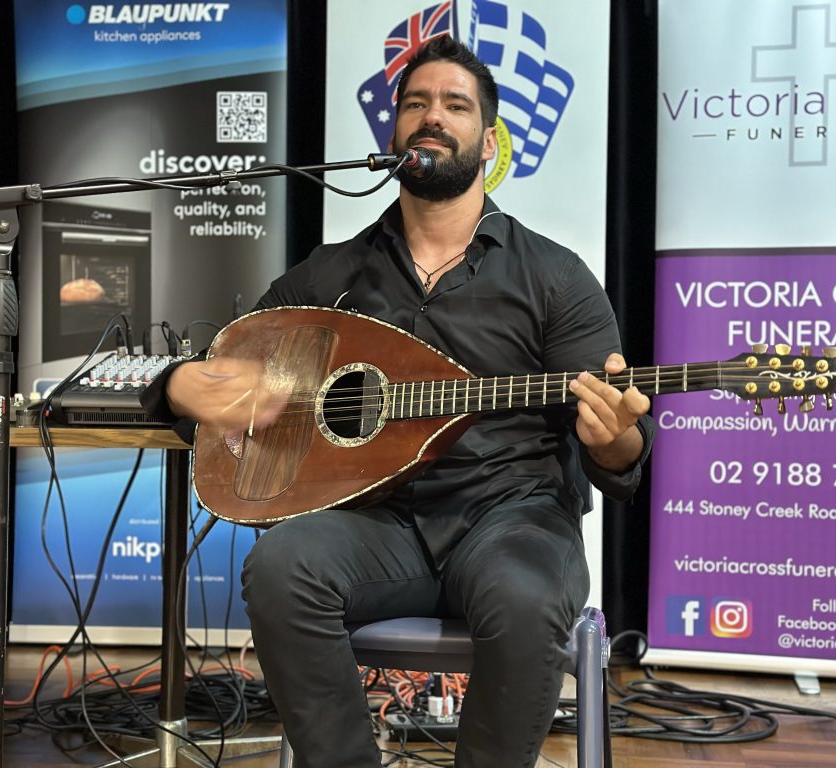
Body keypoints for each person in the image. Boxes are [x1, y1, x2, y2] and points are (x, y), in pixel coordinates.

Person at [144, 35, 654, 768]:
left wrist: (614, 440)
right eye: (415, 104)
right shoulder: (332, 275)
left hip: (513, 520)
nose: (432, 117)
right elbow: (230, 361)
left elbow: (621, 454)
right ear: (393, 135)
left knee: (524, 597)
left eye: (455, 105)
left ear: (489, 140)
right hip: (380, 527)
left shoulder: (554, 277)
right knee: (281, 568)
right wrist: (182, 384)